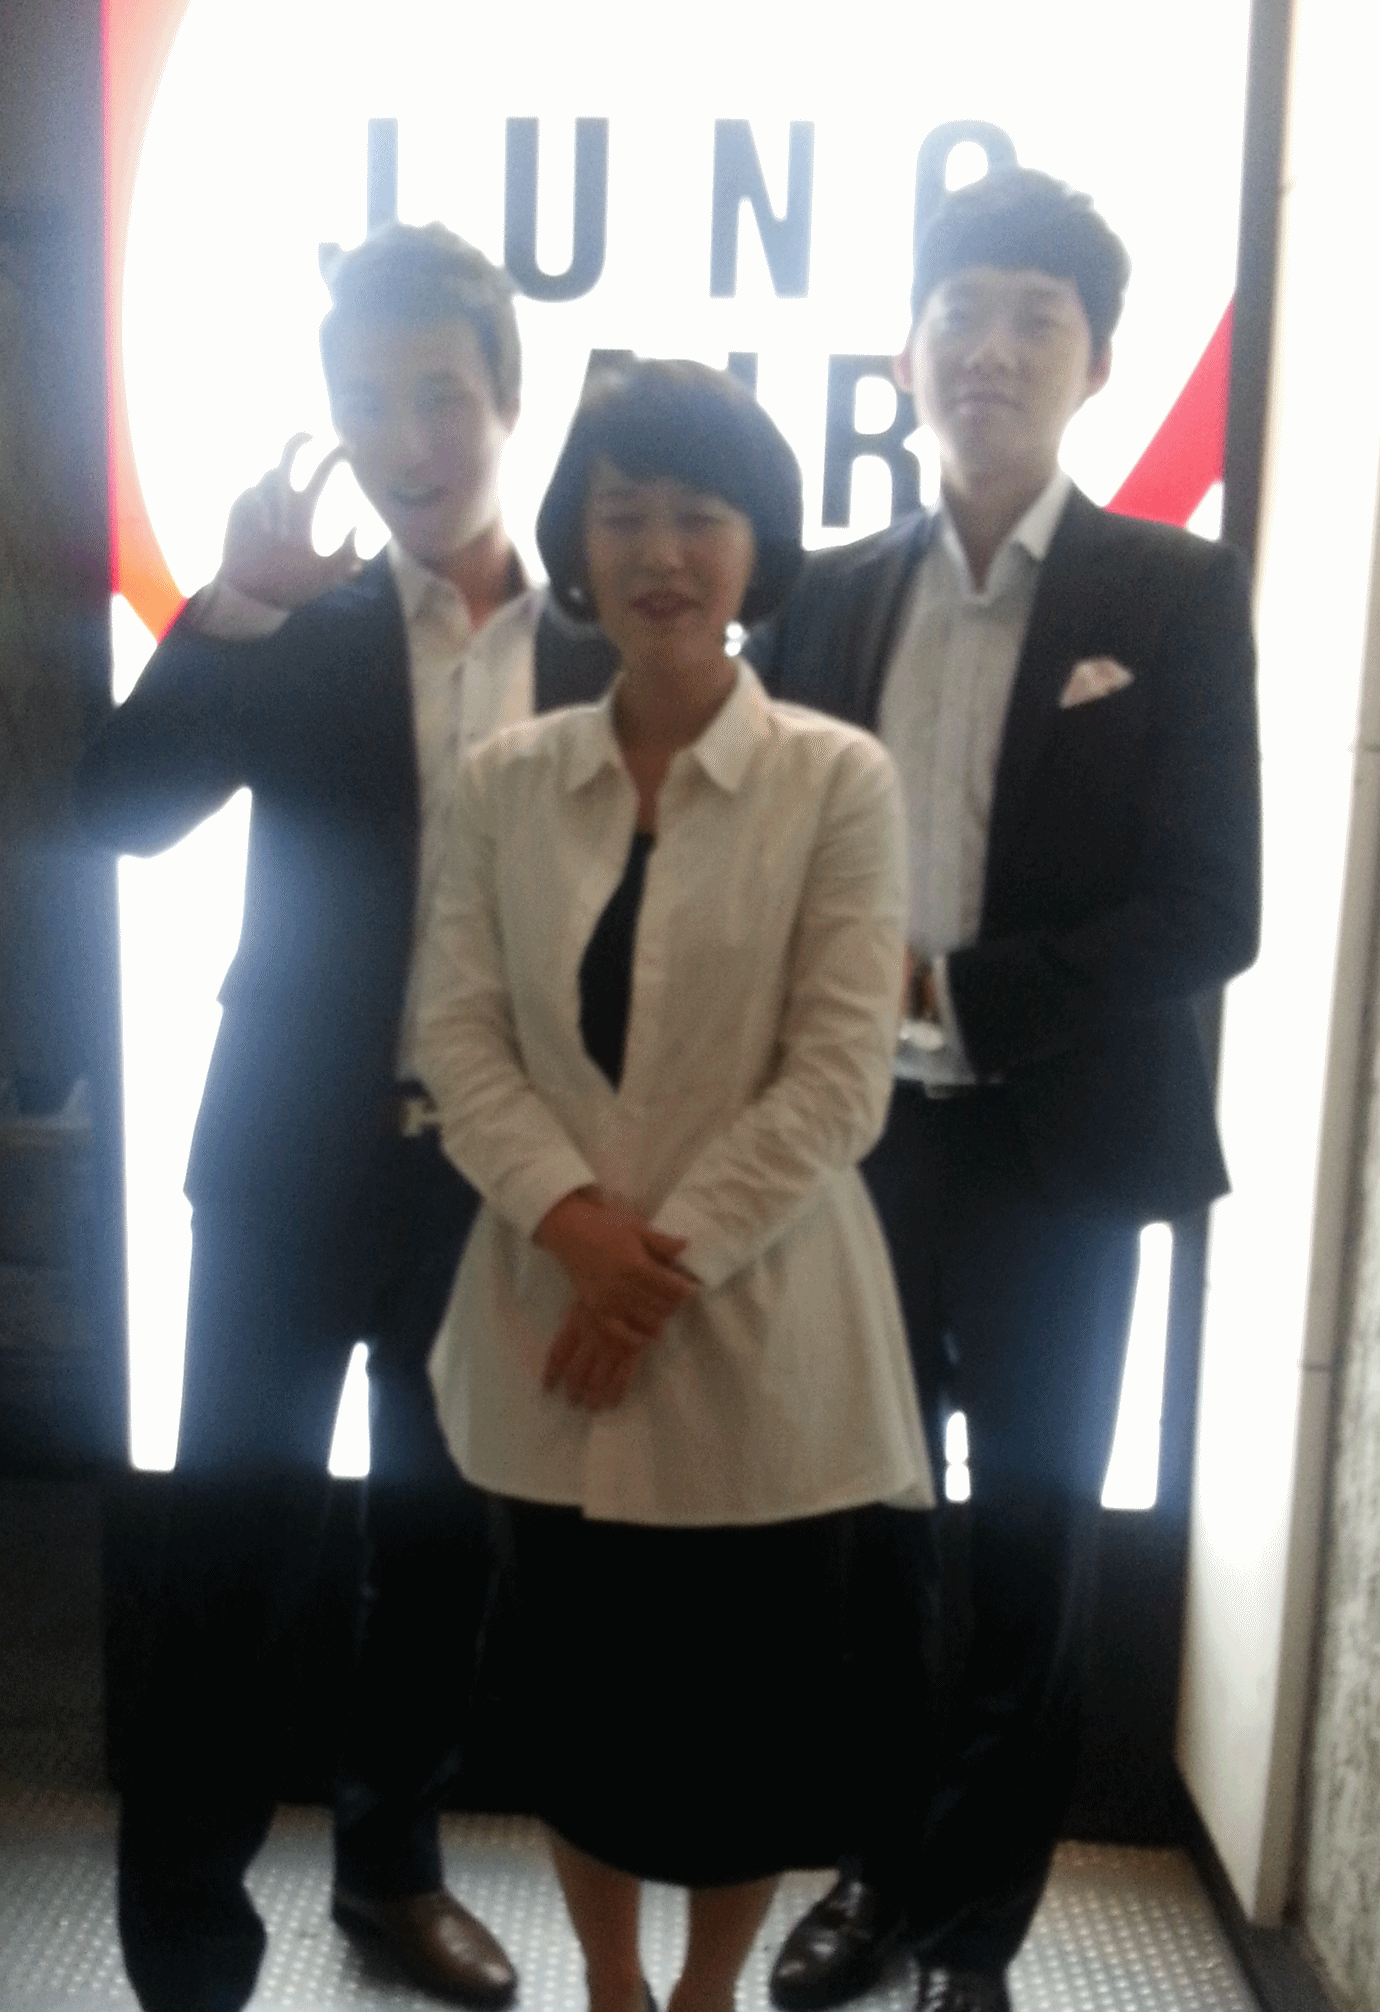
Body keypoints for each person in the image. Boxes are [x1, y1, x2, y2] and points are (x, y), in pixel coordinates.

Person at [78, 223, 613, 2012]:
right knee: (226, 1556)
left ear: (508, 399)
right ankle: (185, 1951)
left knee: (441, 1555)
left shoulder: (599, 647)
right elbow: (118, 812)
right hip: (285, 1168)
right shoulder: (288, 622)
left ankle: (391, 1871)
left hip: (497, 1184)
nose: (407, 439)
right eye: (368, 402)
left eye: (440, 396)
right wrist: (227, 611)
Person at [751, 169, 1261, 2012]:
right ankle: (876, 1876)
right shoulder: (826, 596)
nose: (991, 347)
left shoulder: (1173, 594)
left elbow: (1213, 910)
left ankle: (977, 1932)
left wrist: (953, 991)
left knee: (1035, 1548)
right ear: (906, 352)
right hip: (853, 1146)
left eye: (1036, 317)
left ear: (1094, 360)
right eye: (959, 312)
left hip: (1061, 1149)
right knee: (868, 1537)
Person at [416, 358, 934, 2012]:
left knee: (745, 1728)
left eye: (699, 515)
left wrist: (654, 1271)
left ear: (756, 543)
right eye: (622, 511)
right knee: (577, 1711)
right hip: (544, 1313)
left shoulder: (838, 781)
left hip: (758, 1326)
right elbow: (455, 1034)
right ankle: (612, 1985)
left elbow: (839, 1076)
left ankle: (704, 1994)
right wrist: (578, 1230)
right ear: (576, 538)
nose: (658, 550)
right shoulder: (504, 781)